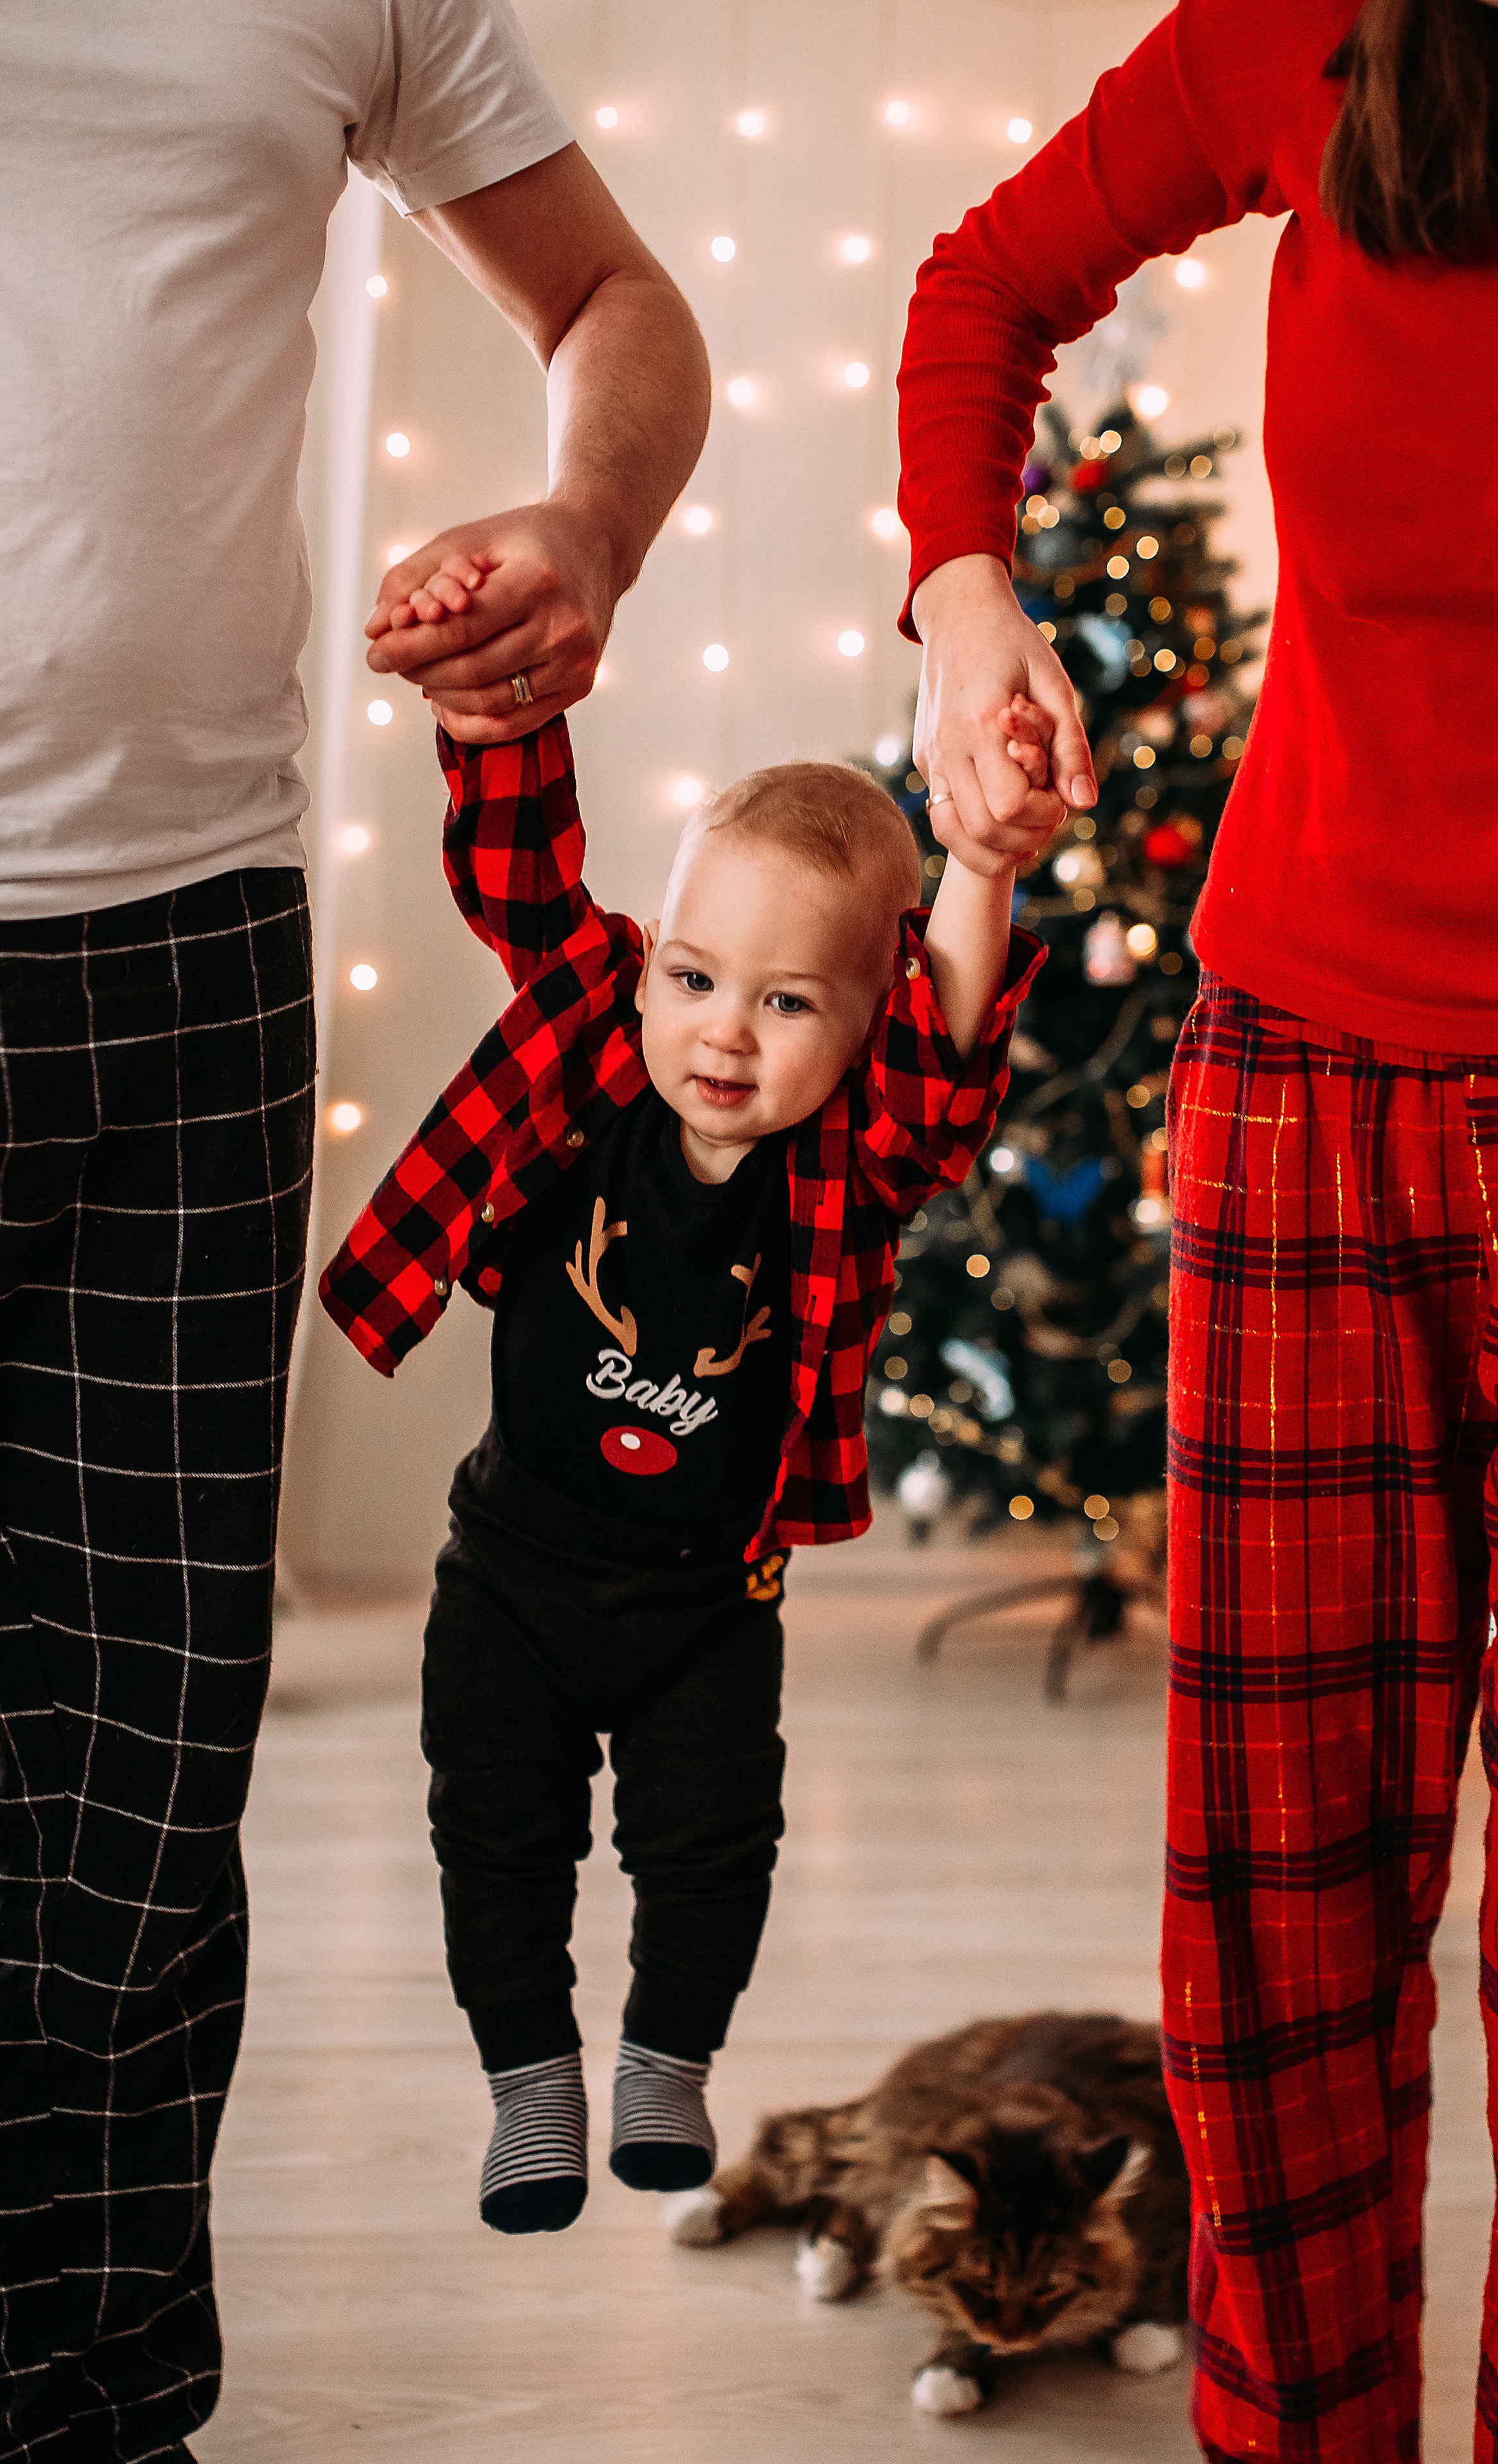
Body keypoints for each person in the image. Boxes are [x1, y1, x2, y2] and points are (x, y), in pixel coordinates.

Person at [0, 5, 708, 2456]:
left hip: (182, 980)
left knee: (130, 1798)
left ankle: (97, 2418)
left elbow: (616, 305)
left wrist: (587, 531)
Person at [895, 0, 1498, 2455]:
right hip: (1319, 1100)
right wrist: (966, 599)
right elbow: (980, 285)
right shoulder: (1325, 30)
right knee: (1283, 1941)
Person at [319, 556, 1045, 2233]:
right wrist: (495, 706)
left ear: (862, 1026)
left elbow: (946, 1076)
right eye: (699, 976)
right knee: (496, 1840)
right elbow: (522, 881)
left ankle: (664, 2054)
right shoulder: (584, 1067)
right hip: (510, 1576)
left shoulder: (851, 1163)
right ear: (650, 969)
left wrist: (982, 868)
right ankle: (528, 2079)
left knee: (712, 1846)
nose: (726, 1032)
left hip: (711, 1602)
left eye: (791, 1003)